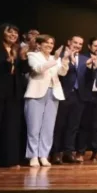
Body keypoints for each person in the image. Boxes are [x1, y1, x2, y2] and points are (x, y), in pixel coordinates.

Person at [0, 23, 29, 170]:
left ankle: (11, 160)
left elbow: (23, 70)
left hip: (14, 92)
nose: (13, 35)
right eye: (10, 32)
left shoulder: (17, 49)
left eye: (15, 33)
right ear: (2, 33)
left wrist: (23, 58)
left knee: (12, 127)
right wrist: (6, 60)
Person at [24, 35, 70, 167]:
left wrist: (64, 59)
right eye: (47, 43)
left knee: (48, 128)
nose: (50, 45)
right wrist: (55, 59)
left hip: (53, 93)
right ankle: (33, 156)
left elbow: (62, 73)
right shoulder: (33, 55)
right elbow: (38, 69)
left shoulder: (54, 58)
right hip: (36, 93)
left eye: (51, 43)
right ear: (39, 44)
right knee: (34, 127)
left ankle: (44, 155)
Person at [52, 35, 85, 164]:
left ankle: (68, 152)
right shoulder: (59, 56)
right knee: (59, 124)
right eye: (75, 42)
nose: (77, 45)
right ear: (69, 42)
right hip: (63, 94)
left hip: (79, 96)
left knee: (73, 125)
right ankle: (56, 153)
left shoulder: (84, 59)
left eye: (80, 44)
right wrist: (67, 58)